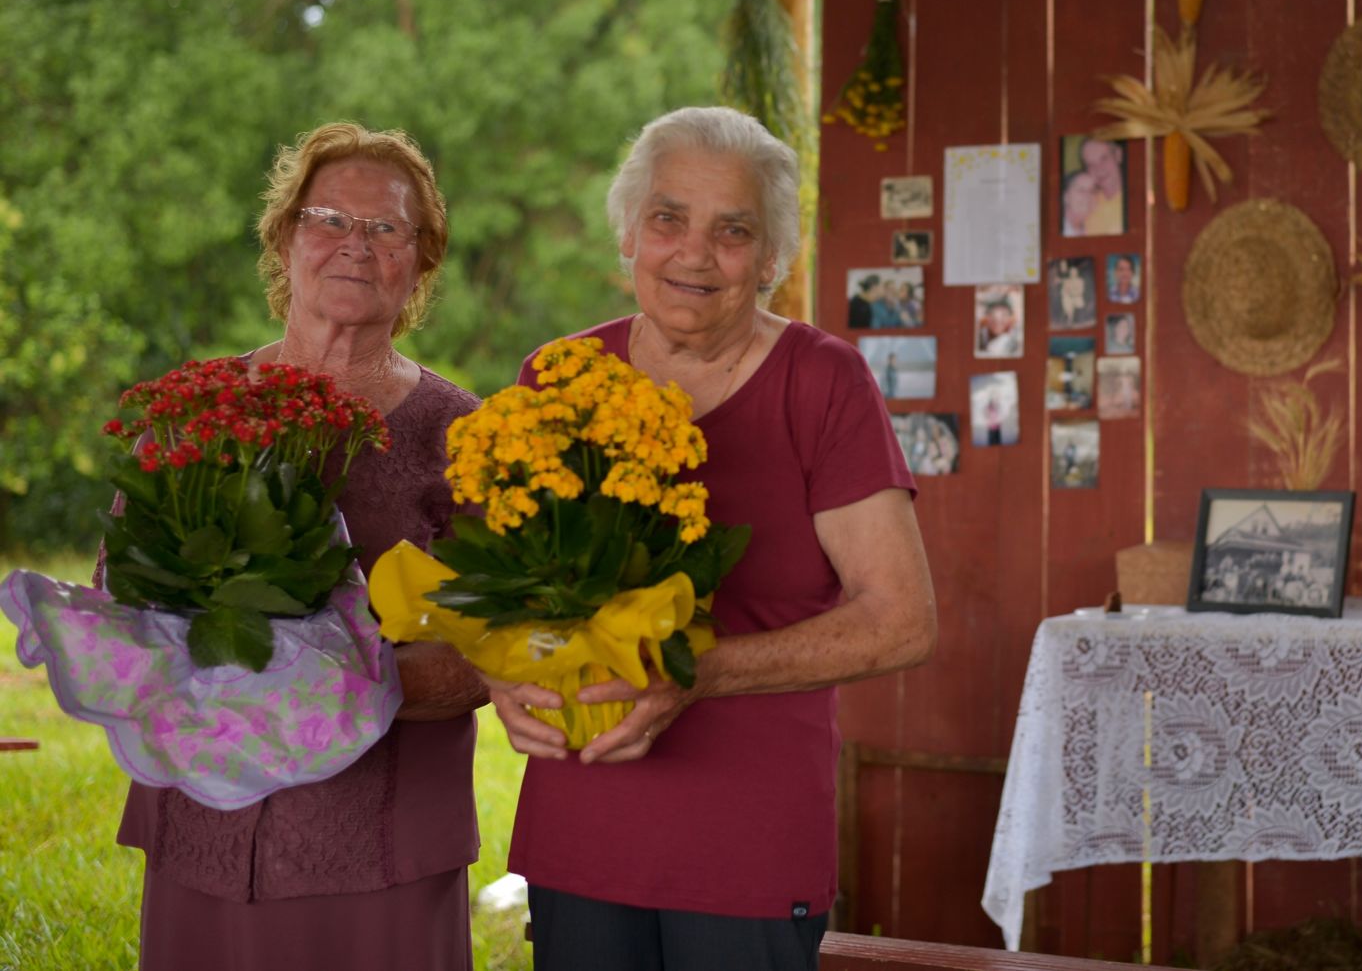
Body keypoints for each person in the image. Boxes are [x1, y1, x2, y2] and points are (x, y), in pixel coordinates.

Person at [487, 106, 938, 971]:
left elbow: (902, 620)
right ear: (629, 232)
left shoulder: (821, 382)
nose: (694, 253)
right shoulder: (560, 376)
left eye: (732, 231)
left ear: (771, 258)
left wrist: (693, 675)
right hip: (583, 818)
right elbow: (507, 585)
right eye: (668, 219)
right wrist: (498, 671)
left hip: (746, 837)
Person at [102, 123, 488, 971]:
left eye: (388, 229)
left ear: (421, 261)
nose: (357, 246)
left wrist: (325, 692)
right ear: (286, 238)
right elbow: (119, 603)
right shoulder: (197, 408)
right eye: (330, 220)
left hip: (381, 848)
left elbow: (490, 649)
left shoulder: (464, 435)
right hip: (203, 829)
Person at [1078, 137, 1125, 236]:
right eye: (1091, 165)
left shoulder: (1137, 200)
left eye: (1103, 158)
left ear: (1118, 155)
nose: (1099, 169)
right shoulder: (1087, 204)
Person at [1060, 169, 1097, 237]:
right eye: (1081, 190)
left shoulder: (1091, 231)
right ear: (1066, 196)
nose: (1088, 196)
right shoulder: (1060, 231)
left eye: (1092, 191)